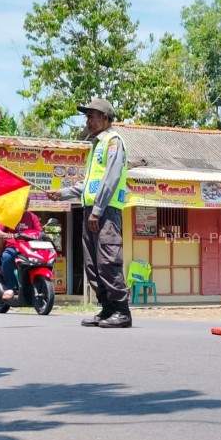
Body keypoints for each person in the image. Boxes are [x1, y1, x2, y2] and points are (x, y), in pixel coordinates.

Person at [47, 97, 131, 328]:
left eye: (92, 116)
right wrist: (61, 194)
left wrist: (97, 210)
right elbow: (88, 184)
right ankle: (107, 309)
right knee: (92, 264)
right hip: (91, 210)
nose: (88, 120)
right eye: (87, 116)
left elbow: (111, 179)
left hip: (105, 211)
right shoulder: (96, 145)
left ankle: (121, 311)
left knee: (108, 260)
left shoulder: (113, 141)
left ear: (105, 118)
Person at [0, 207, 42, 300]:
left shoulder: (32, 217)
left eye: (27, 201)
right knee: (6, 257)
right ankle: (10, 287)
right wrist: (7, 235)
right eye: (24, 201)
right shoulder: (7, 214)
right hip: (13, 246)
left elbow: (39, 232)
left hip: (30, 248)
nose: (26, 204)